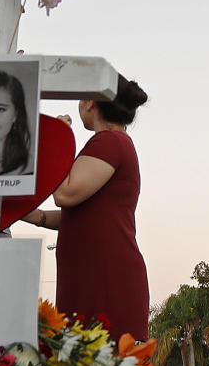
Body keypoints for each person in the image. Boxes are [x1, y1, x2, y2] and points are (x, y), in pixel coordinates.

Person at [25, 75, 150, 344]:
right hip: (98, 276)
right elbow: (91, 212)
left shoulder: (109, 142)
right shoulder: (115, 143)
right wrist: (36, 217)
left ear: (91, 102)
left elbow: (65, 193)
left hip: (104, 280)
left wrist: (56, 140)